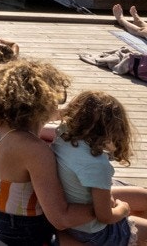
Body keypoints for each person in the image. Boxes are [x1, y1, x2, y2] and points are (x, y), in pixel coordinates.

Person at [0, 59, 94, 245]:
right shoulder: (35, 150)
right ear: (42, 104)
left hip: (0, 223)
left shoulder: (4, 128)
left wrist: (68, 112)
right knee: (132, 228)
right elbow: (60, 218)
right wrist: (106, 208)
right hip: (27, 236)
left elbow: (51, 114)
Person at [53, 91, 147, 246]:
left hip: (75, 215)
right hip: (93, 232)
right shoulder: (97, 165)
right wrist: (123, 209)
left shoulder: (63, 135)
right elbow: (105, 217)